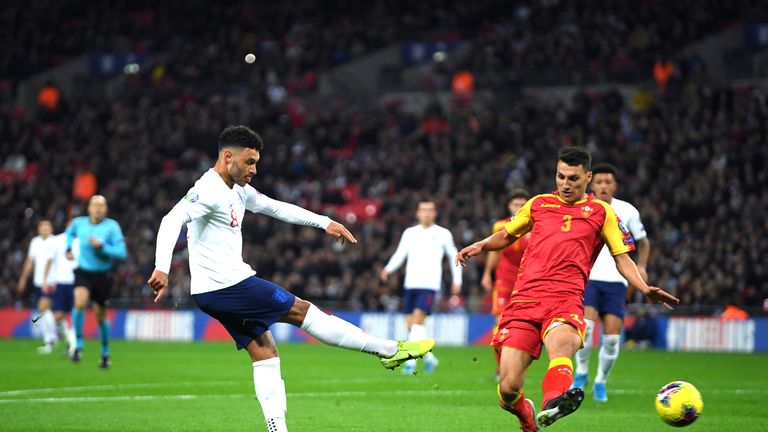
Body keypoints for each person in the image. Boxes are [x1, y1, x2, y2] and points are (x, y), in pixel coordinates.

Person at [148, 125, 434, 432]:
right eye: (249, 162)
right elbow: (171, 219)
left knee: (265, 353)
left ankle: (277, 430)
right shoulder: (207, 190)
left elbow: (275, 207)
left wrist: (324, 222)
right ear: (228, 157)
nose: (254, 169)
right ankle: (388, 350)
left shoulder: (238, 190)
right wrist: (162, 267)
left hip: (215, 291)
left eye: (256, 162)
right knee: (303, 311)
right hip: (228, 285)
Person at [455, 147, 678, 430]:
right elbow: (507, 234)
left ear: (588, 177)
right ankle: (527, 413)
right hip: (524, 300)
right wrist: (481, 245)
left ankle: (554, 403)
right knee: (509, 387)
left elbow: (622, 258)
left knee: (561, 347)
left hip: (566, 299)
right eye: (561, 177)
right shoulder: (538, 204)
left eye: (573, 178)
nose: (565, 184)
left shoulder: (602, 213)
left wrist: (644, 288)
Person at [572, 163, 650, 401]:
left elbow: (644, 243)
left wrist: (642, 266)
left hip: (617, 281)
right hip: (591, 278)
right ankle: (582, 372)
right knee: (585, 330)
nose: (603, 186)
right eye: (599, 182)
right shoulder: (584, 208)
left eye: (608, 182)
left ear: (615, 185)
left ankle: (600, 382)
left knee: (613, 338)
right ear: (591, 183)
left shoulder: (628, 211)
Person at [380, 198, 462, 375]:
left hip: (430, 285)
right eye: (423, 209)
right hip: (410, 284)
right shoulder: (410, 233)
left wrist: (458, 280)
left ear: (435, 213)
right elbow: (400, 253)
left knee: (417, 322)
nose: (426, 213)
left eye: (430, 209)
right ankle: (430, 358)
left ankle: (410, 363)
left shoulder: (443, 234)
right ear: (418, 213)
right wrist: (388, 268)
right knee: (412, 326)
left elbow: (454, 256)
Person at [66, 195, 127, 368]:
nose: (98, 208)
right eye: (95, 205)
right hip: (83, 272)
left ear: (106, 209)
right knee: (79, 302)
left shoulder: (112, 227)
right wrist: (68, 248)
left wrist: (103, 247)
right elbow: (69, 234)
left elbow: (122, 253)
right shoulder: (79, 223)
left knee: (100, 316)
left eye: (102, 205)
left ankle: (105, 352)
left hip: (103, 275)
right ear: (89, 208)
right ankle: (78, 343)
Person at [481, 189, 531, 378]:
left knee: (522, 330)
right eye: (515, 204)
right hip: (504, 282)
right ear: (509, 206)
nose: (518, 207)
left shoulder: (535, 226)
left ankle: (517, 368)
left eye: (521, 204)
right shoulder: (500, 226)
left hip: (527, 284)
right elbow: (494, 251)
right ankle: (500, 368)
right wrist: (487, 274)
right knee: (499, 327)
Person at [16, 220, 58, 353]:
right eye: (42, 226)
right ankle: (53, 337)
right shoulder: (35, 242)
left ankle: (50, 340)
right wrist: (23, 278)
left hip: (52, 281)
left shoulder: (56, 242)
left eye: (47, 226)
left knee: (44, 309)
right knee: (43, 312)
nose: (44, 228)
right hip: (38, 282)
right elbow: (30, 261)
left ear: (51, 228)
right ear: (39, 229)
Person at [45, 228, 79, 353]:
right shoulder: (57, 240)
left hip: (76, 282)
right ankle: (70, 341)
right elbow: (50, 261)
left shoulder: (81, 241)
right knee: (58, 316)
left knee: (76, 314)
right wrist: (48, 279)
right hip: (60, 282)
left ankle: (74, 344)